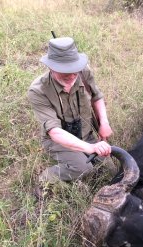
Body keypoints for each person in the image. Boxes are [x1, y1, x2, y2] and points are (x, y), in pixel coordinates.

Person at [28, 36, 113, 197]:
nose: (72, 76)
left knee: (110, 170)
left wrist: (104, 123)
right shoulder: (38, 91)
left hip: (86, 134)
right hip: (58, 141)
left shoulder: (84, 72)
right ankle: (47, 178)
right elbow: (54, 132)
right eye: (65, 72)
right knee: (83, 168)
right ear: (51, 68)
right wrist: (90, 148)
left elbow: (97, 97)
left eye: (74, 71)